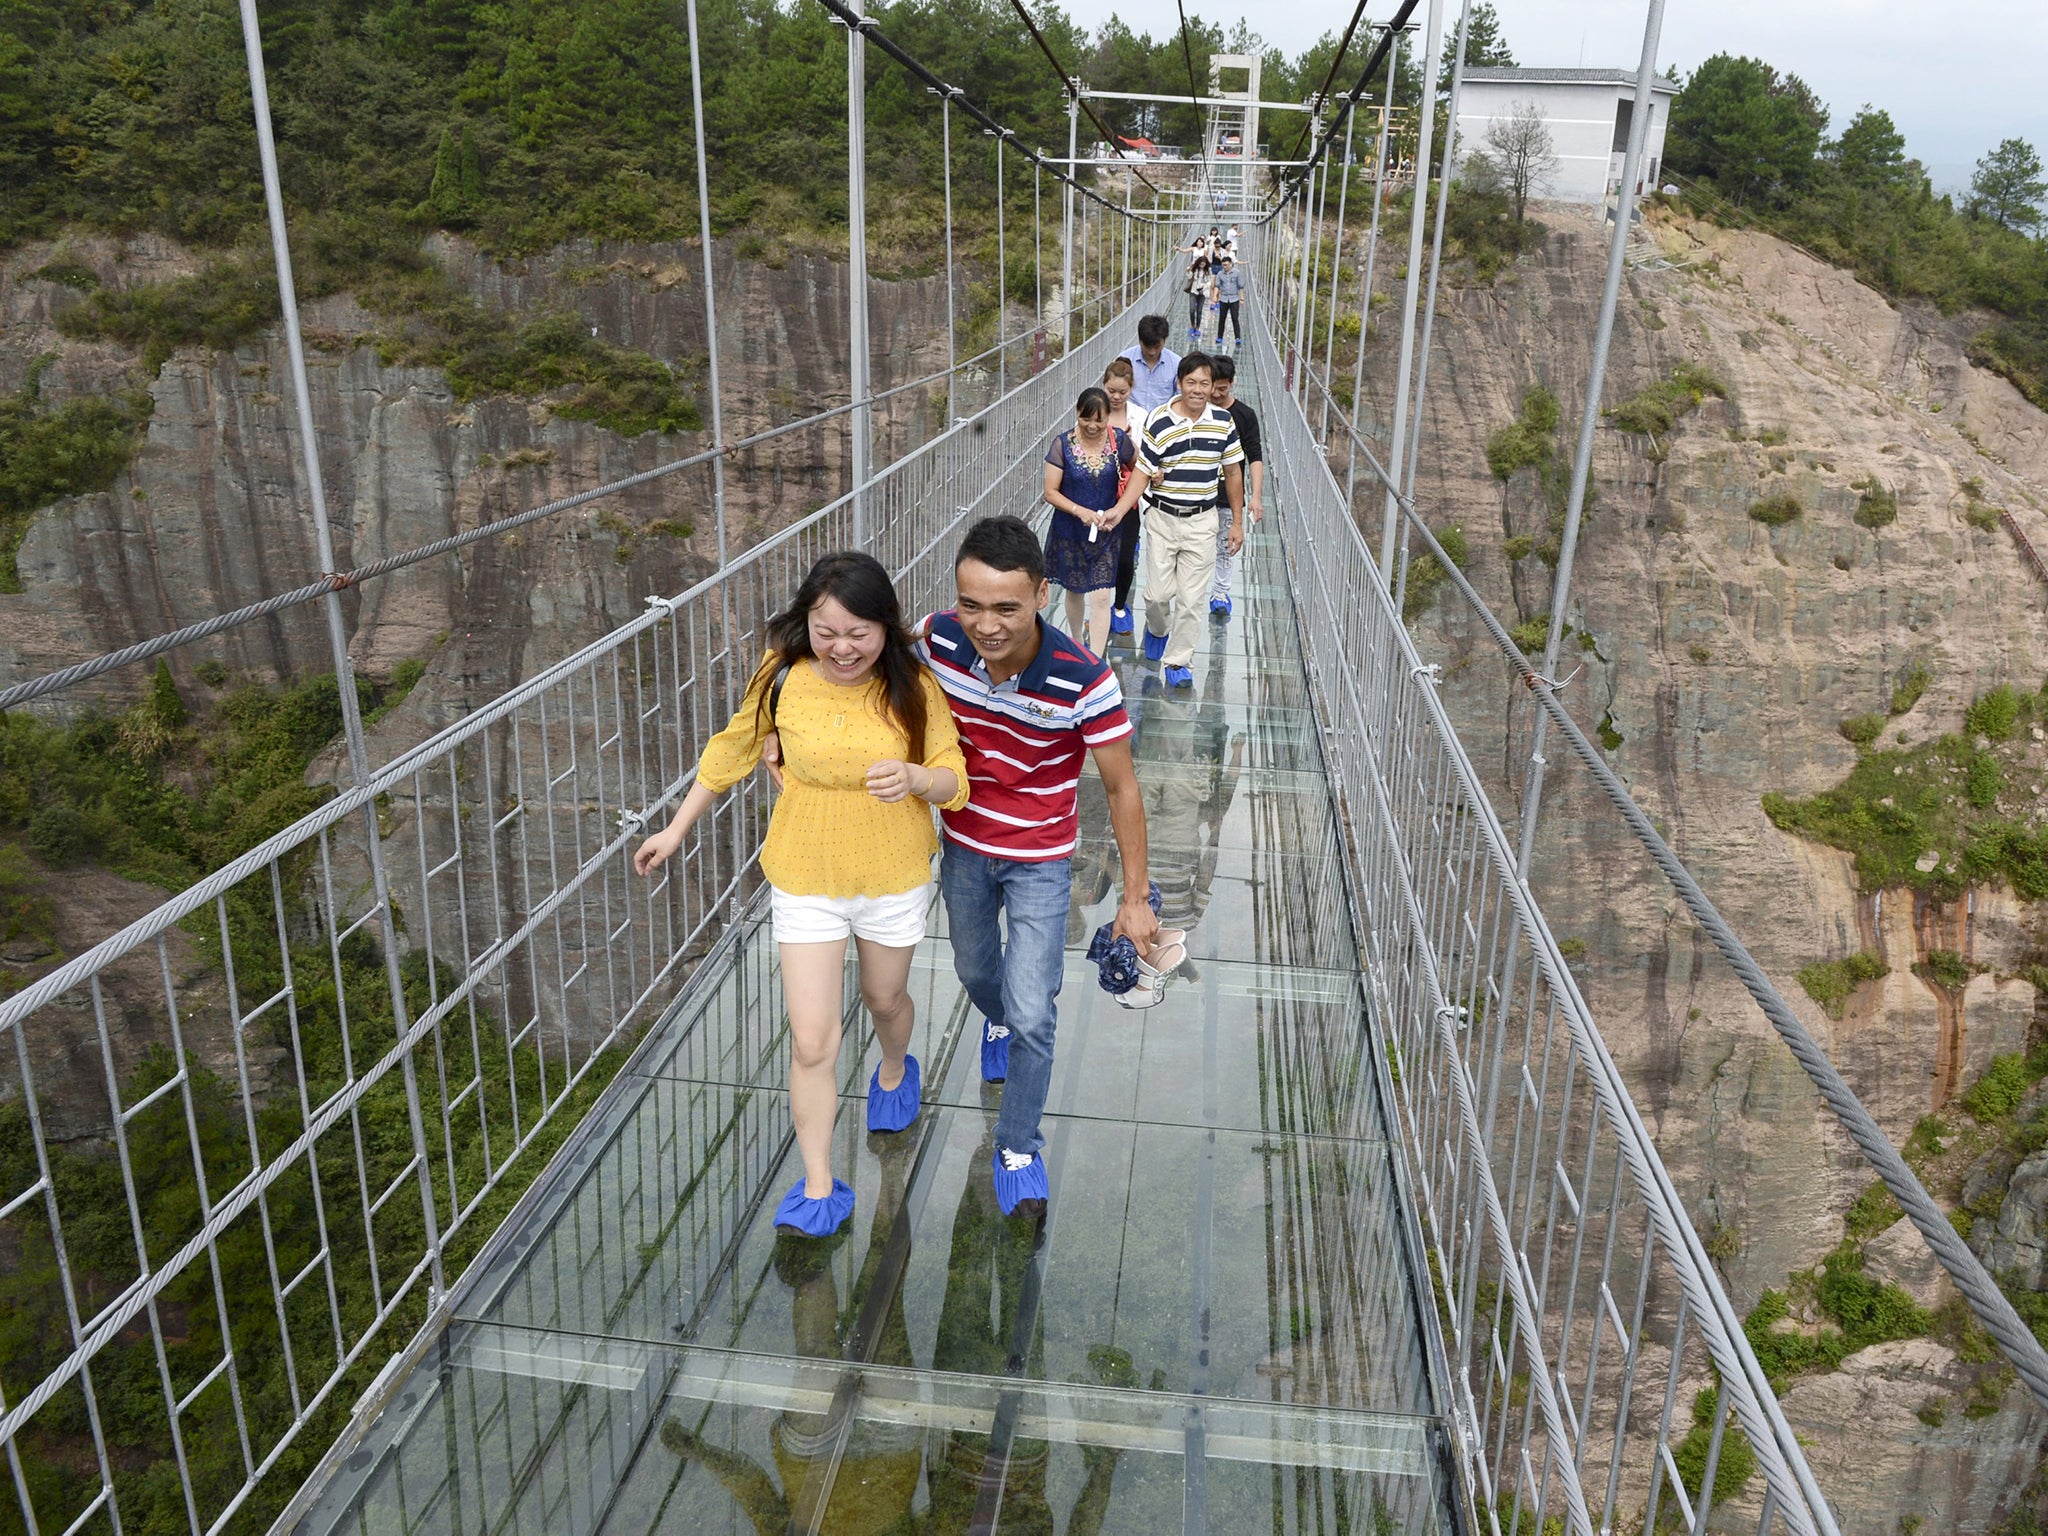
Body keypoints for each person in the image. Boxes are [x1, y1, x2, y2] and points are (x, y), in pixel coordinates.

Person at [634, 552, 969, 1237]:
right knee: (813, 1041)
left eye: (859, 633)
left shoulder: (915, 684)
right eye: (826, 631)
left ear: (886, 626)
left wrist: (914, 778)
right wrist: (674, 829)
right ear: (806, 624)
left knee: (884, 999)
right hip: (804, 870)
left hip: (893, 868)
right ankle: (819, 1184)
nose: (842, 648)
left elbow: (952, 776)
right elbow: (736, 744)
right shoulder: (782, 673)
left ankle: (896, 1067)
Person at [921, 517, 1157, 1218]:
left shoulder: (1084, 680)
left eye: (1006, 608)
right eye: (971, 604)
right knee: (974, 972)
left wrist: (1135, 898)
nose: (985, 626)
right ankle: (1000, 1021)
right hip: (964, 843)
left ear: (1043, 595)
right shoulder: (939, 639)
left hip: (1041, 860)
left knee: (1032, 1011)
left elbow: (1123, 788)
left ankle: (1018, 1143)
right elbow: (854, 648)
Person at [1105, 353, 1244, 689]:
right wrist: (1121, 511)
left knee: (1192, 601)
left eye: (1204, 384)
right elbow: (1143, 471)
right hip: (1163, 519)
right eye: (1191, 383)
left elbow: (1232, 472)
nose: (1198, 390)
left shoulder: (1224, 422)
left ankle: (1178, 662)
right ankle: (1156, 629)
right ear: (1179, 383)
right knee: (1156, 596)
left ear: (1213, 387)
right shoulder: (1159, 420)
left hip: (1202, 521)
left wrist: (1237, 522)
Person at [1040, 386, 1135, 654]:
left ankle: (1095, 657)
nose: (1092, 426)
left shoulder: (1118, 441)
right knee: (1074, 589)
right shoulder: (1062, 444)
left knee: (1103, 594)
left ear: (1108, 418)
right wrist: (1078, 510)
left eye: (1099, 420)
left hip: (1107, 529)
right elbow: (1050, 492)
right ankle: (1077, 642)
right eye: (1086, 418)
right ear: (1077, 413)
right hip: (1070, 529)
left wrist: (1123, 505)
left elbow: (1140, 466)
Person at [1206, 353, 1263, 616]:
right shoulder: (1196, 412)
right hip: (1198, 495)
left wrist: (1256, 497)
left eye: (1222, 388)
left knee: (1226, 546)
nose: (1215, 395)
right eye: (1212, 387)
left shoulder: (1244, 415)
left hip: (1230, 496)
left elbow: (1255, 456)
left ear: (1232, 383)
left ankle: (1220, 592)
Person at [1100, 358, 1143, 638]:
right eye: (1111, 391)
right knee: (1101, 556)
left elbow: (1145, 460)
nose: (1115, 397)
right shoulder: (1092, 413)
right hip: (1098, 497)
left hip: (1128, 498)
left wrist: (1127, 443)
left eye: (1122, 392)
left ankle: (1119, 606)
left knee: (1126, 556)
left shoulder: (1141, 417)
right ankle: (1100, 608)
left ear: (1131, 390)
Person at [1118, 314, 1180, 413]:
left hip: (1162, 419)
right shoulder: (1124, 360)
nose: (1152, 352)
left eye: (1157, 347)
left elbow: (1179, 396)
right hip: (1131, 418)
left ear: (1164, 340)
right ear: (1139, 340)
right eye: (1147, 346)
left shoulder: (1176, 364)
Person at [1212, 255, 1243, 348]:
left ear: (1230, 264)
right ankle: (1219, 337)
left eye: (1226, 265)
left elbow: (1240, 286)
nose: (1224, 267)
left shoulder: (1237, 273)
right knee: (1222, 319)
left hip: (1234, 299)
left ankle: (1237, 337)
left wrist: (1242, 298)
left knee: (1235, 318)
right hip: (1223, 299)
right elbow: (1217, 286)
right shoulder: (1220, 274)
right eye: (1223, 265)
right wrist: (1214, 296)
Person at [1183, 253, 1212, 347]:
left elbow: (1210, 281)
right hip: (1193, 291)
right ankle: (1192, 326)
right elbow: (1189, 277)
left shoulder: (1208, 271)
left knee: (1199, 311)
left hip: (1202, 292)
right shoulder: (1195, 269)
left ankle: (1198, 328)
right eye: (1200, 264)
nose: (1201, 265)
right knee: (1192, 309)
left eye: (1203, 264)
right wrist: (1188, 271)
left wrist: (1205, 286)